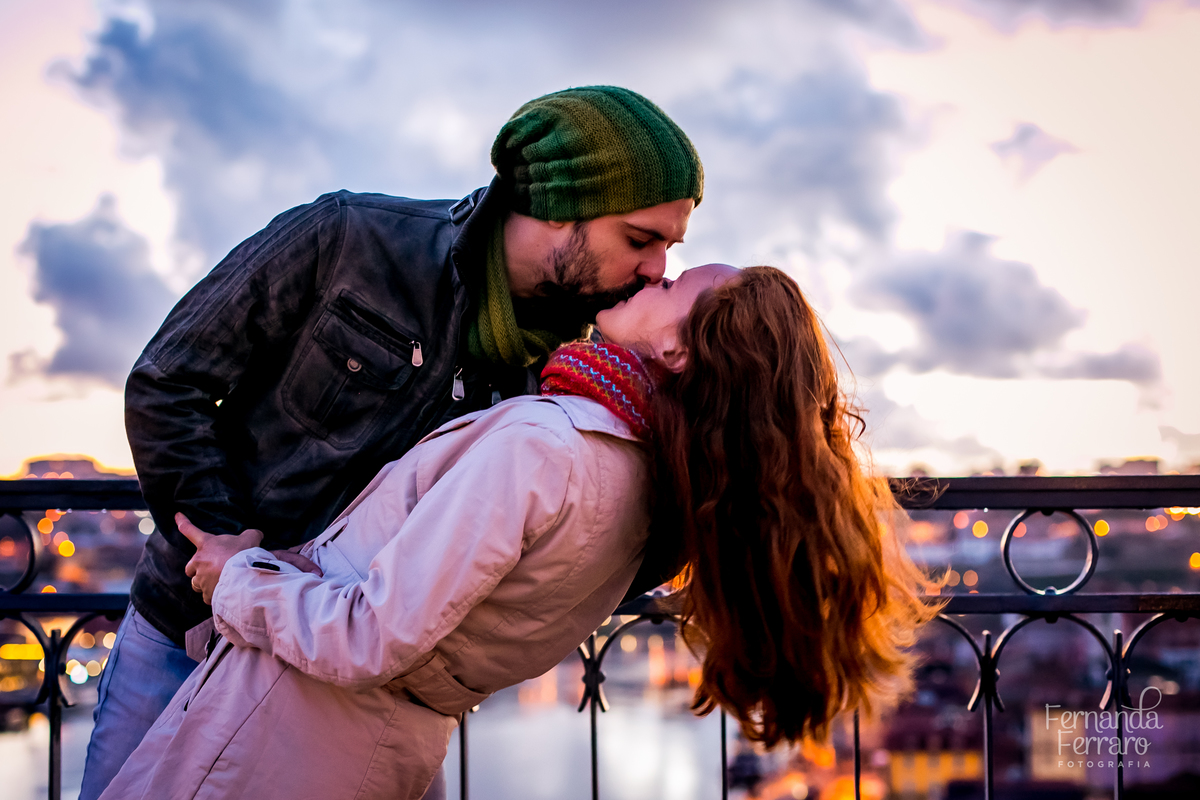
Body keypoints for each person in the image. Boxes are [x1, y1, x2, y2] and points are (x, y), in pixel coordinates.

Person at [99, 265, 936, 800]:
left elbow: (367, 636)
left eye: (676, 286)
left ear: (679, 348)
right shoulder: (646, 489)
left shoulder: (549, 449)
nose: (656, 276)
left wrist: (237, 578)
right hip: (375, 747)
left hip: (280, 740)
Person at [81, 85, 704, 800]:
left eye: (668, 246)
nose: (658, 268)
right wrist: (230, 556)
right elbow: (169, 380)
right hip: (190, 633)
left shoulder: (578, 375)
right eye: (640, 239)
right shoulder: (350, 237)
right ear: (561, 205)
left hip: (356, 693)